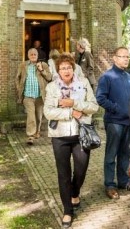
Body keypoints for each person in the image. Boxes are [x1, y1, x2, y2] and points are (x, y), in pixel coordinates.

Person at [43, 53, 99, 228]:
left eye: (68, 67)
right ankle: (68, 210)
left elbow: (94, 107)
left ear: (73, 69)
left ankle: (75, 192)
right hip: (59, 137)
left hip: (80, 135)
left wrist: (74, 103)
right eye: (62, 68)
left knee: (81, 171)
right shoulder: (52, 88)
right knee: (63, 174)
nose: (65, 71)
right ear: (58, 71)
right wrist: (69, 112)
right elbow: (48, 112)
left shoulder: (83, 85)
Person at [96, 46, 130, 199]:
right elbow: (100, 98)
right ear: (115, 58)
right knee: (111, 154)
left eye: (127, 57)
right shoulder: (107, 77)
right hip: (114, 122)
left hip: (128, 122)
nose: (126, 59)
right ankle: (110, 184)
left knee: (125, 154)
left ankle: (123, 181)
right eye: (123, 56)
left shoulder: (129, 77)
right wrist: (117, 109)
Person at [16, 48, 52, 145]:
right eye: (31, 54)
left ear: (37, 56)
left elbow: (49, 78)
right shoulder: (23, 65)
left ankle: (37, 131)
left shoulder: (43, 65)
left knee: (38, 116)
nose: (33, 56)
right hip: (28, 96)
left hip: (40, 96)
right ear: (28, 56)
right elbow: (17, 78)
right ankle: (30, 135)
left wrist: (41, 70)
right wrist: (19, 89)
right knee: (31, 115)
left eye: (34, 54)